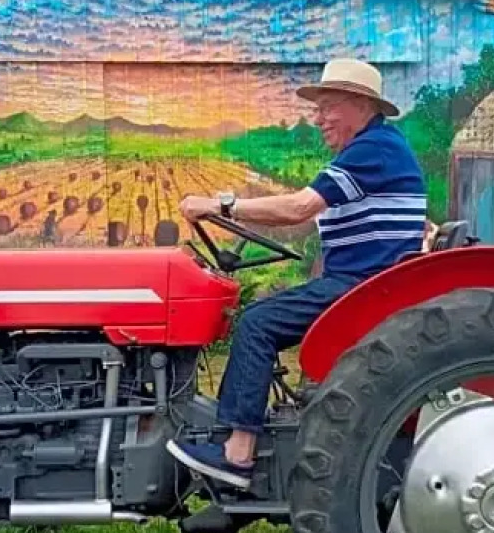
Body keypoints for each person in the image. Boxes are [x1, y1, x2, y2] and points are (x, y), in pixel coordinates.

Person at [166, 58, 428, 489]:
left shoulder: (372, 149)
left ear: (362, 105)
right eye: (318, 109)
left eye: (329, 107)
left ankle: (237, 454)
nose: (319, 118)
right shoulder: (373, 150)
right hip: (364, 281)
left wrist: (221, 205)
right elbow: (304, 216)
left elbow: (298, 208)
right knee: (263, 316)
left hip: (362, 287)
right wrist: (247, 225)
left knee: (257, 324)